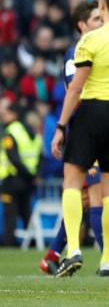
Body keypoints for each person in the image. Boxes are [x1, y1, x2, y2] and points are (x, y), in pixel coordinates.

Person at [39, 0, 109, 276]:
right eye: (96, 19)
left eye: (101, 17)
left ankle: (55, 254)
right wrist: (63, 127)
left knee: (90, 196)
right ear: (82, 25)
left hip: (104, 123)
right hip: (86, 128)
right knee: (96, 194)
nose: (101, 23)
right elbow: (77, 90)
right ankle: (106, 258)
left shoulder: (102, 48)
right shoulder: (76, 52)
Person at [0, 98, 41, 247]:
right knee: (26, 214)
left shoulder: (11, 131)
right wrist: (34, 174)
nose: (3, 115)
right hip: (28, 180)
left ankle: (9, 245)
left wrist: (26, 174)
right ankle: (33, 244)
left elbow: (13, 158)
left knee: (10, 216)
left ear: (14, 114)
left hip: (12, 179)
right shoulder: (30, 131)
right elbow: (40, 154)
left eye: (7, 112)